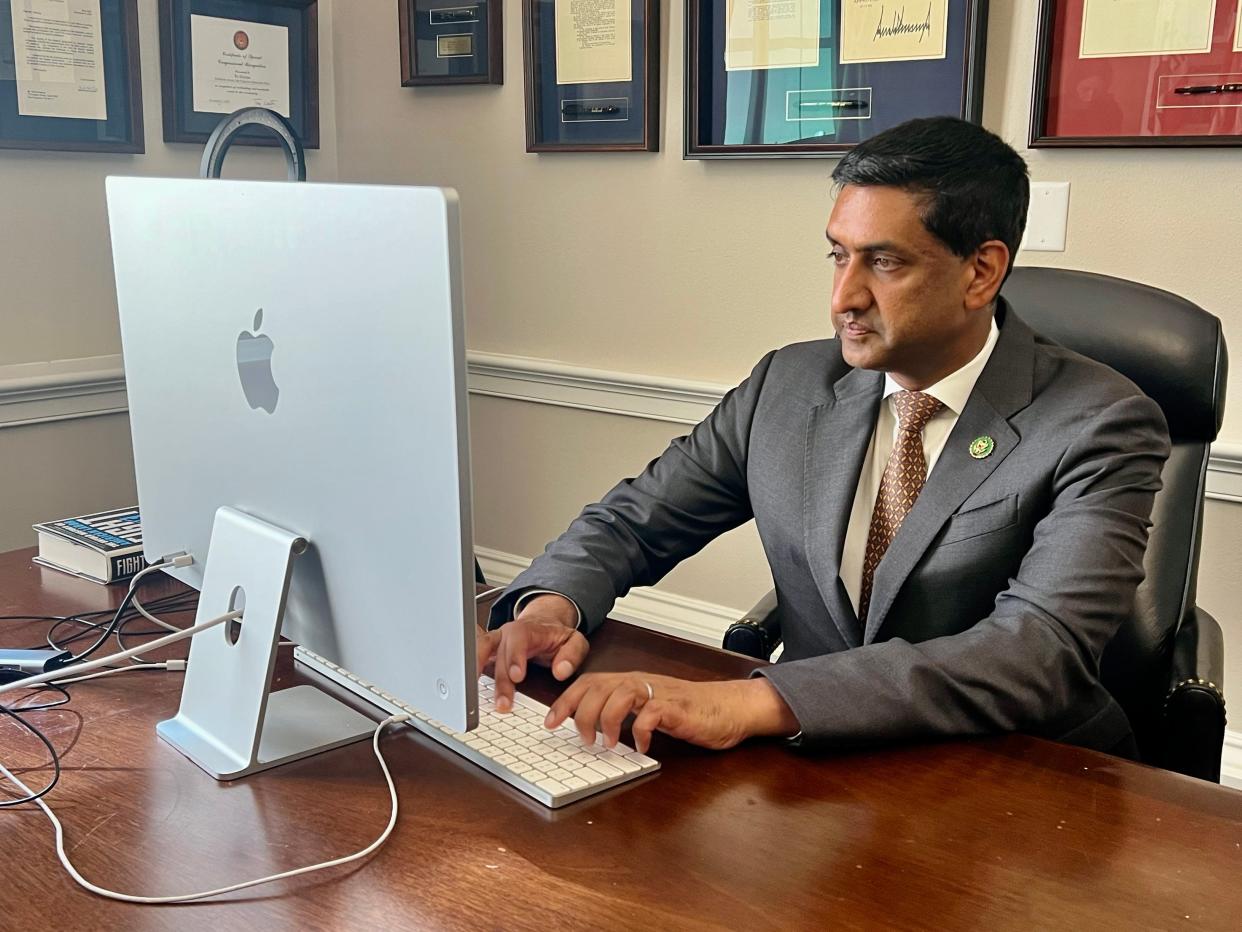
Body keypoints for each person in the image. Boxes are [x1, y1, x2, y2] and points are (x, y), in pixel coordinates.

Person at [476, 116, 1170, 759]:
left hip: (1013, 773)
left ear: (980, 271)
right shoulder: (789, 382)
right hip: (813, 766)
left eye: (885, 263)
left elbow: (1038, 650)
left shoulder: (1100, 419)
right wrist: (549, 604)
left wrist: (755, 699)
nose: (844, 297)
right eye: (838, 256)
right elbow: (636, 520)